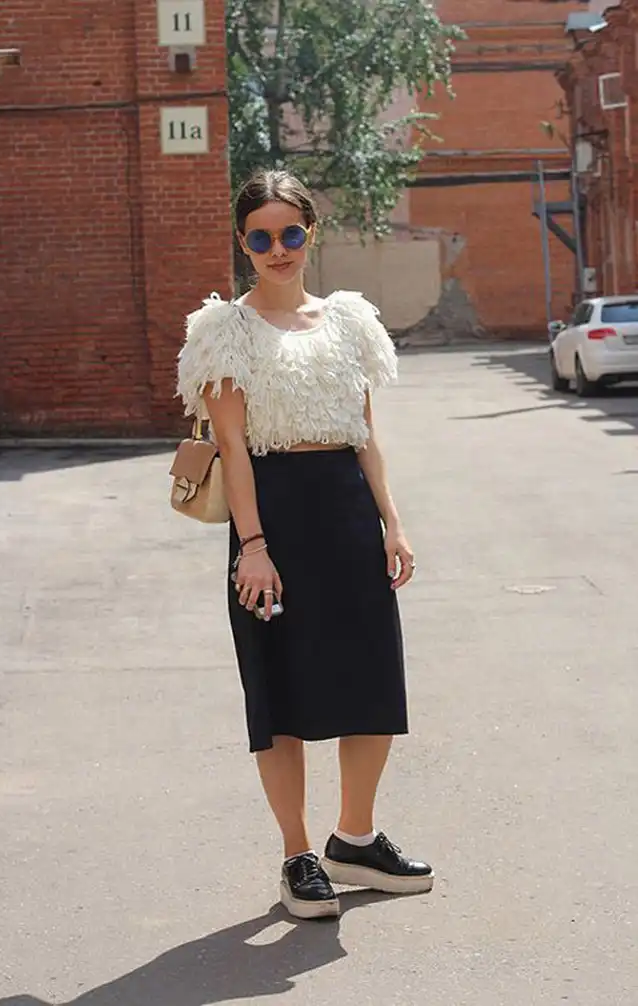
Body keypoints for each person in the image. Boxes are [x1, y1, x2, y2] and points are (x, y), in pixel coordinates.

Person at [177, 169, 433, 920]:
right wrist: (253, 546)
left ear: (310, 233)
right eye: (261, 237)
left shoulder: (349, 320)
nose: (278, 248)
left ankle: (354, 839)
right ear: (243, 243)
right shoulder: (224, 330)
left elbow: (366, 434)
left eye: (291, 232)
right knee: (280, 692)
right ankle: (297, 856)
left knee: (372, 682)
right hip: (274, 519)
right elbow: (233, 447)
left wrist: (393, 522)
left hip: (348, 513)